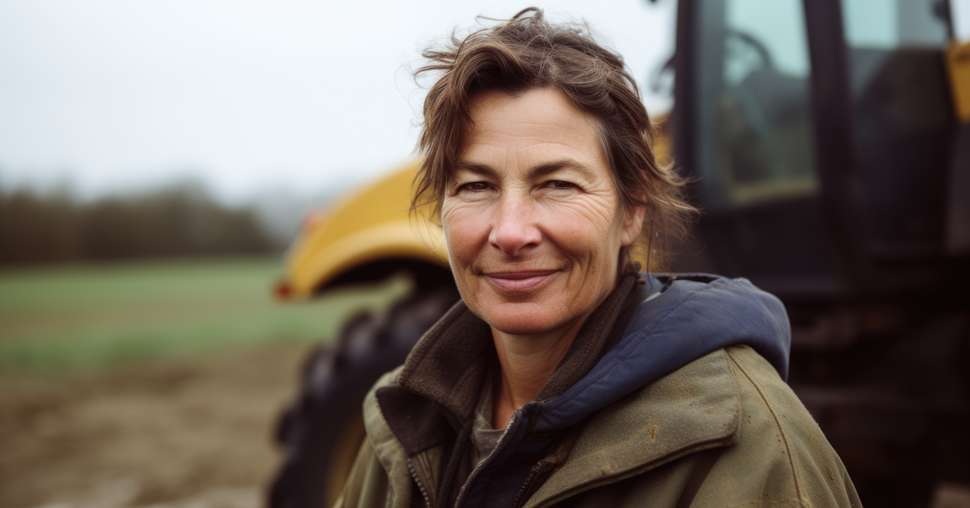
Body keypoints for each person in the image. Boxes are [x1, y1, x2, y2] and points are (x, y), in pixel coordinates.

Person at [337, 8, 860, 508]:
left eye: (557, 184)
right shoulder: (402, 423)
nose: (511, 231)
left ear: (631, 211)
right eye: (476, 186)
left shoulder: (749, 445)